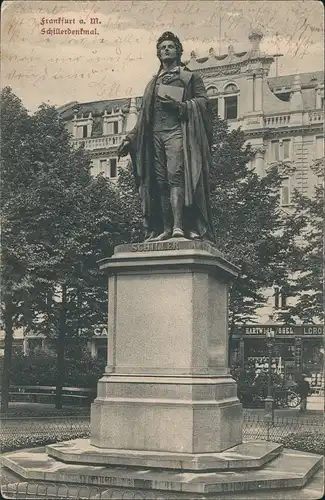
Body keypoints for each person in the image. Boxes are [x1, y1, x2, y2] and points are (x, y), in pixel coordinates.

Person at [117, 31, 215, 243]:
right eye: (162, 48)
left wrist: (180, 107)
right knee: (160, 182)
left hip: (178, 133)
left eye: (170, 46)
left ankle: (180, 227)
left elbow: (204, 103)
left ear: (178, 51)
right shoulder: (153, 83)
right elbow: (144, 117)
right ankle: (166, 228)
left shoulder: (190, 77)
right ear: (158, 54)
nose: (166, 50)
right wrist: (130, 138)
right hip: (155, 137)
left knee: (176, 177)